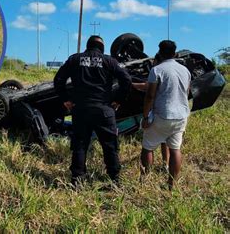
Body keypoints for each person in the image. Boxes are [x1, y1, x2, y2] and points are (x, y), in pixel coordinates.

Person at [54, 35, 131, 187]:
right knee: (109, 145)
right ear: (102, 47)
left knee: (80, 145)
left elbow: (58, 79)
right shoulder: (109, 61)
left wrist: (66, 99)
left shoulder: (74, 59)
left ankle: (77, 180)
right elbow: (126, 79)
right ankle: (114, 179)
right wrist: (119, 100)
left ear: (87, 46)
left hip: (80, 109)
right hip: (104, 109)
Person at [141, 40, 191, 190]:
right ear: (175, 54)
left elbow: (150, 95)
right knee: (175, 149)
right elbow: (187, 92)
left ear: (160, 52)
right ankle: (171, 185)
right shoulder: (185, 70)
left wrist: (145, 117)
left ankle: (145, 181)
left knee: (147, 148)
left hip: (163, 115)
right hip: (181, 116)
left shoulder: (156, 70)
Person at [132, 53, 170, 171]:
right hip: (176, 114)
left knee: (148, 147)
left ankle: (146, 175)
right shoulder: (180, 70)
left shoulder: (157, 70)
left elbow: (147, 89)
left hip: (160, 113)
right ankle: (166, 166)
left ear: (158, 60)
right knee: (167, 142)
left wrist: (130, 84)